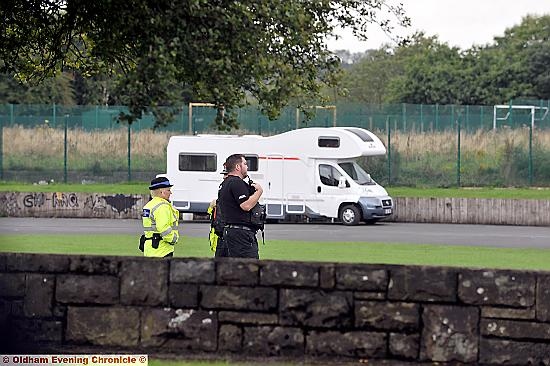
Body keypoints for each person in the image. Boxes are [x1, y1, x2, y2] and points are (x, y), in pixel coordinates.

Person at [216, 154, 263, 258]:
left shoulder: (225, 183)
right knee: (248, 266)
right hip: (241, 234)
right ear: (238, 167)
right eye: (245, 164)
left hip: (230, 231)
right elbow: (246, 205)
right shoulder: (236, 182)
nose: (247, 167)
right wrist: (259, 192)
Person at [140, 177, 180, 257]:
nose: (170, 193)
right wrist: (173, 239)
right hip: (162, 250)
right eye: (168, 190)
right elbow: (163, 227)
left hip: (150, 248)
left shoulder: (149, 205)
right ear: (162, 192)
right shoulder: (162, 207)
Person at [207, 169, 228, 253]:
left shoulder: (232, 186)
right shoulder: (223, 186)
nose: (223, 177)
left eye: (225, 174)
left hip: (225, 236)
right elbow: (211, 214)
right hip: (219, 236)